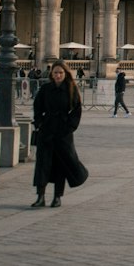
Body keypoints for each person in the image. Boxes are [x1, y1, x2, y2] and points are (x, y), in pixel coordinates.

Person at [31, 61, 84, 208]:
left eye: (60, 73)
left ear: (65, 74)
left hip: (63, 134)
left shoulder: (71, 89)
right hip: (46, 131)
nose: (58, 75)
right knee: (42, 164)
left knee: (60, 166)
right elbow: (37, 107)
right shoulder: (45, 89)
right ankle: (40, 197)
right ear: (51, 74)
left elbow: (76, 111)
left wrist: (69, 128)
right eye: (55, 73)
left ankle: (57, 197)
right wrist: (39, 123)